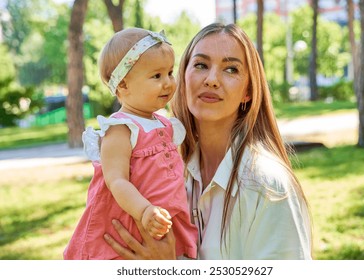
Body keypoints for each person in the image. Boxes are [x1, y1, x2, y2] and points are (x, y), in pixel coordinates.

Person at [103, 23, 312, 260]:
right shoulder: (165, 169)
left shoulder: (268, 186)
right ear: (183, 77)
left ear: (248, 92)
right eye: (201, 65)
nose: (212, 80)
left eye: (231, 69)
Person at [63, 27, 198, 260]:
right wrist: (144, 210)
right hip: (133, 218)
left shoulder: (166, 125)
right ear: (123, 85)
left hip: (162, 219)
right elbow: (116, 180)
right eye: (156, 76)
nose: (167, 83)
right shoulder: (120, 128)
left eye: (169, 73)